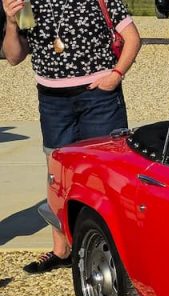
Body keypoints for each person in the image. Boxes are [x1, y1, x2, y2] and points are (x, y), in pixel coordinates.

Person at [2, 0, 141, 274]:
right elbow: (14, 56)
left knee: (104, 174)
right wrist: (10, 22)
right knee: (57, 176)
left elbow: (133, 38)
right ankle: (62, 249)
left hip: (98, 97)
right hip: (53, 101)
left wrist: (115, 75)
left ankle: (111, 248)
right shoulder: (30, 4)